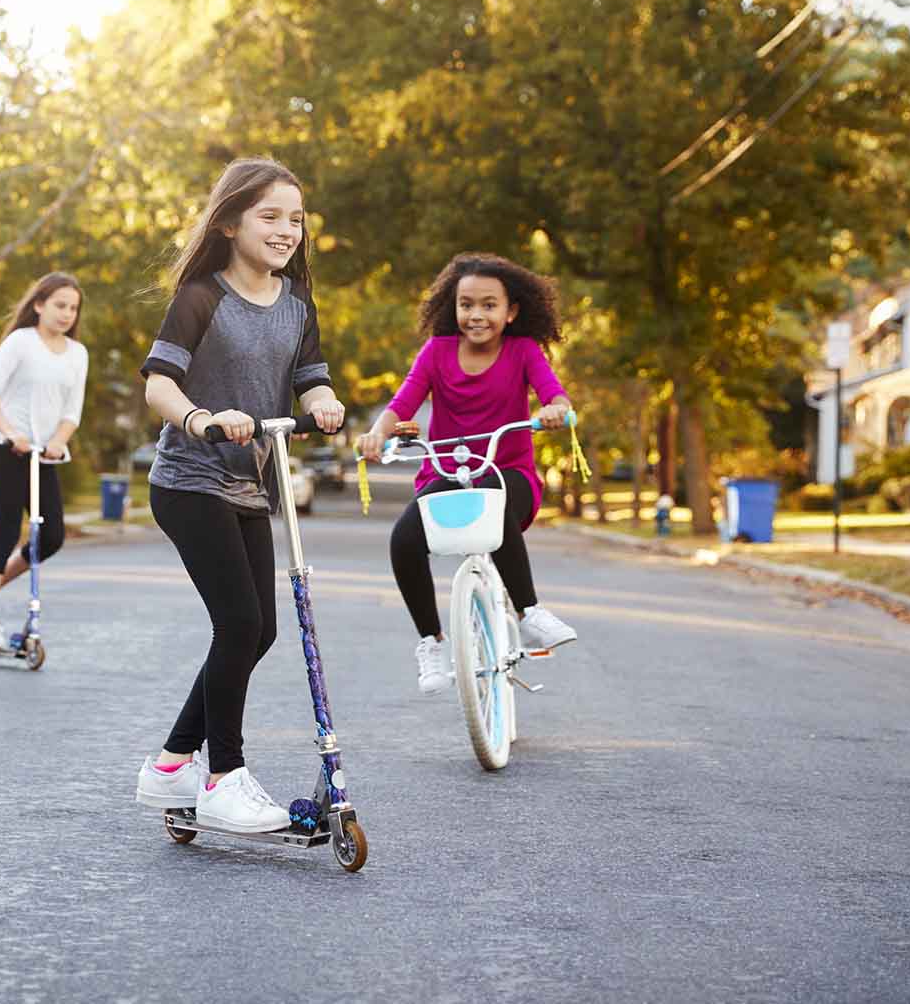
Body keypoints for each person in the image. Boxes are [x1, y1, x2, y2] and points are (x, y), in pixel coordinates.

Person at [132, 158, 345, 834]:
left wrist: (327, 401)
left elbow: (310, 380)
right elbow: (159, 384)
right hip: (189, 481)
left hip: (250, 483)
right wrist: (201, 418)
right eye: (271, 216)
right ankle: (223, 774)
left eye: (297, 219)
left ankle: (171, 765)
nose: (288, 231)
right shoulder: (202, 297)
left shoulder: (297, 305)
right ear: (229, 222)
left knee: (259, 630)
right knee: (240, 624)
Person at [354, 252, 580, 694]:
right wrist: (376, 434)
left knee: (493, 496)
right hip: (449, 472)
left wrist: (556, 410)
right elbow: (401, 404)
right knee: (404, 540)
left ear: (511, 311)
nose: (476, 315)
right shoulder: (437, 353)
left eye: (489, 305)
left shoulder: (523, 351)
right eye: (466, 304)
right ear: (452, 308)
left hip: (509, 475)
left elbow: (557, 396)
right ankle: (431, 642)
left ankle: (529, 612)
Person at [0, 272, 88, 647]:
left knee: (51, 536)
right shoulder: (21, 342)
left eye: (73, 308)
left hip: (43, 453)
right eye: (59, 305)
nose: (67, 314)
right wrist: (9, 433)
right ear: (38, 305)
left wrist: (57, 441)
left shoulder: (77, 354)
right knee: (6, 528)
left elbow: (72, 412)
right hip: (4, 446)